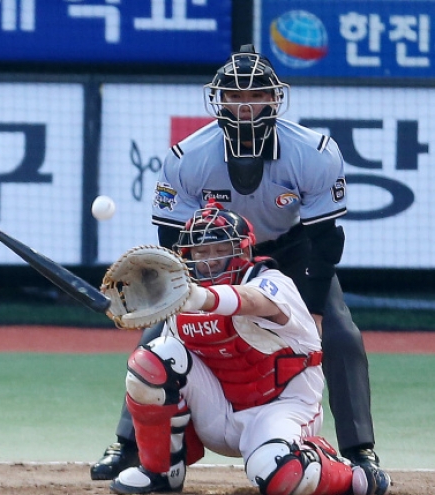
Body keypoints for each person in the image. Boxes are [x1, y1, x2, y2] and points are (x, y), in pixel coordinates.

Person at [91, 44, 391, 495]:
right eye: (234, 96)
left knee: (342, 334)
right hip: (214, 253)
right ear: (219, 101)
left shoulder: (313, 151)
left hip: (292, 250)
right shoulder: (187, 157)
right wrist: (179, 289)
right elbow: (173, 240)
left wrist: (312, 309)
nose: (244, 105)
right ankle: (127, 445)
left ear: (275, 99)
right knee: (159, 337)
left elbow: (326, 240)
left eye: (255, 96)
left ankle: (358, 450)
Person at [108, 204, 385, 495]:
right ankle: (160, 473)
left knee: (282, 476)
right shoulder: (184, 298)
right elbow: (168, 367)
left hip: (282, 407)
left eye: (220, 249)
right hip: (218, 412)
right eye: (202, 252)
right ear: (189, 257)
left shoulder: (271, 281)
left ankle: (346, 473)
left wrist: (198, 296)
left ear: (242, 251)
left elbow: (251, 301)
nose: (211, 260)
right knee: (151, 360)